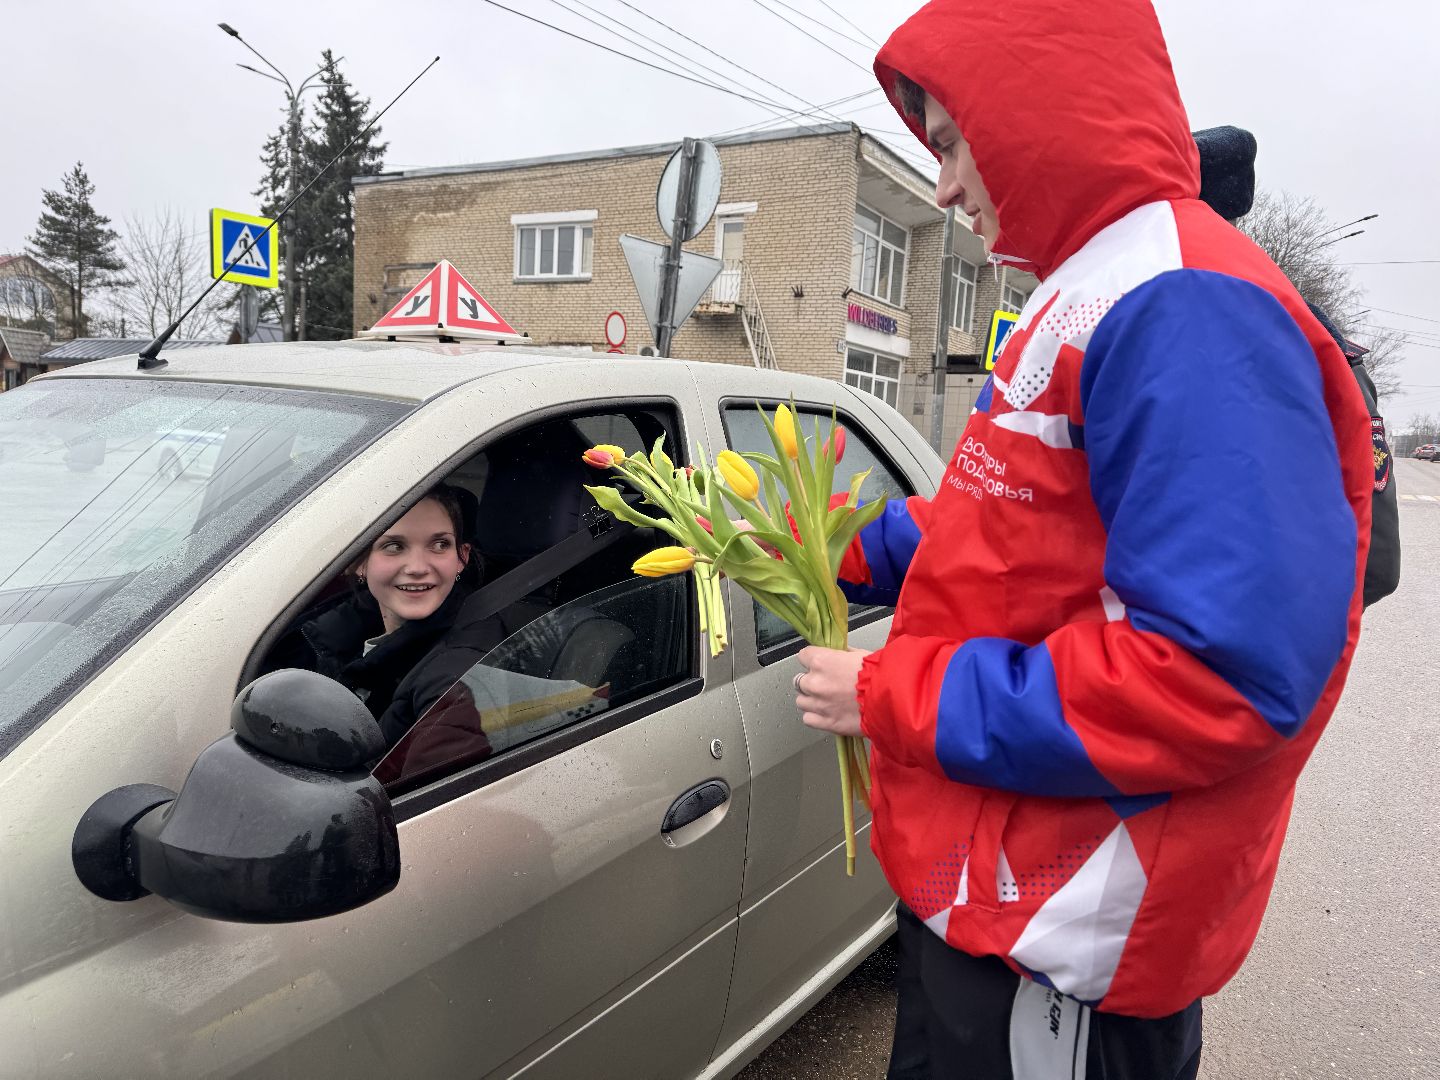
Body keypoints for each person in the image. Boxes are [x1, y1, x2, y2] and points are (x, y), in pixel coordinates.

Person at [792, 1, 1373, 1076]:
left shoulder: (1182, 305)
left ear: (1033, 110)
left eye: (955, 143)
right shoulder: (1094, 285)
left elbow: (1214, 677)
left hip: (1061, 941)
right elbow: (1017, 522)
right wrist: (836, 546)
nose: (945, 187)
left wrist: (889, 699)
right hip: (998, 900)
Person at [302, 484, 516, 748]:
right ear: (358, 563)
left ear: (461, 558)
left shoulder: (455, 681)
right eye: (394, 546)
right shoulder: (335, 633)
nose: (417, 568)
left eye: (439, 544)